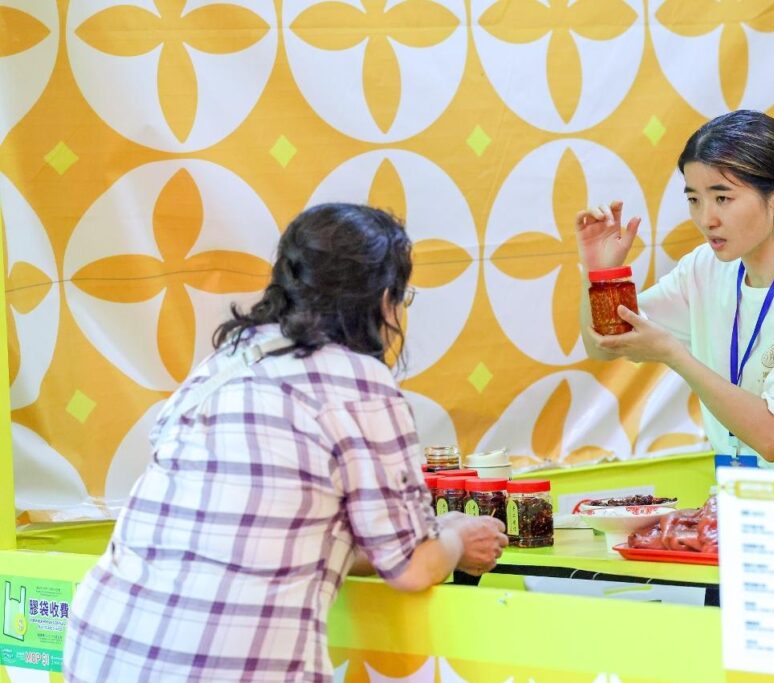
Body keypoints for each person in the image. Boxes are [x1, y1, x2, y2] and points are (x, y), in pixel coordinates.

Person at [63, 203, 508, 681]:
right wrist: (457, 539)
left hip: (103, 645)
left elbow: (280, 537)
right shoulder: (360, 384)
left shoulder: (228, 361)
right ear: (383, 299)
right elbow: (412, 568)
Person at [576, 110, 774, 474]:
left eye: (723, 198)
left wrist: (674, 355)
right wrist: (599, 274)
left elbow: (773, 438)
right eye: (694, 199)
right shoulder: (706, 266)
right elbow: (605, 346)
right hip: (743, 499)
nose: (707, 219)